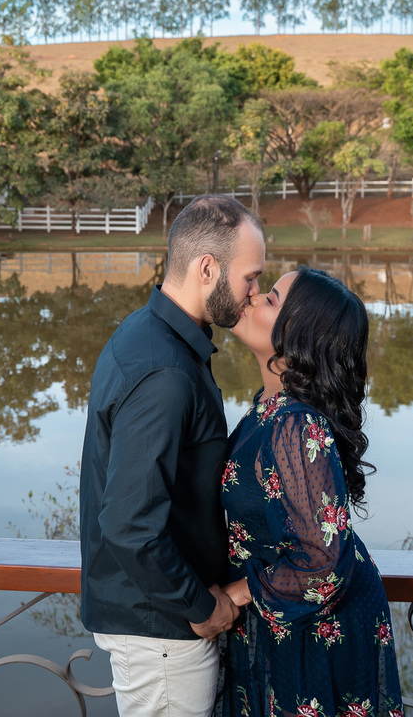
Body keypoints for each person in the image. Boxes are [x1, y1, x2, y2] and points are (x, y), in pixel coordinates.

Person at [80, 195, 267, 717]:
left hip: (159, 625)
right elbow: (129, 524)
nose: (253, 294)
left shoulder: (149, 335)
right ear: (208, 268)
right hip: (163, 635)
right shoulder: (165, 372)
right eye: (251, 277)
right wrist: (202, 607)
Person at [215, 266, 403, 717]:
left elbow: (322, 562)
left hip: (316, 630)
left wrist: (238, 592)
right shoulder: (268, 407)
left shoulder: (296, 424)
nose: (255, 297)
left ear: (300, 336)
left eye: (273, 299)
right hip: (291, 623)